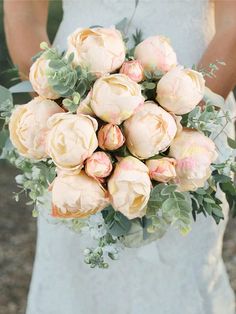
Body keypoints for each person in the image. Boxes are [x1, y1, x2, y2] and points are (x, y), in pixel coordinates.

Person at [3, 1, 236, 313]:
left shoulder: (193, 122)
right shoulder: (64, 123)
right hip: (71, 108)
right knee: (74, 271)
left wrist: (181, 128)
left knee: (183, 264)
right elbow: (24, 13)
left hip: (198, 97)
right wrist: (58, 114)